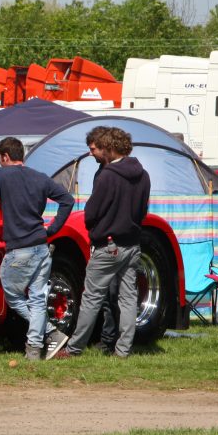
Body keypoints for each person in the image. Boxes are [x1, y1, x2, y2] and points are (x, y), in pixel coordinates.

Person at [0, 137, 75, 361]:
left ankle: (48, 332)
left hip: (19, 250)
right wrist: (52, 228)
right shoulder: (39, 177)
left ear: (5, 157)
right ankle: (35, 350)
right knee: (37, 298)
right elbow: (67, 199)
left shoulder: (2, 175)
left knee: (13, 296)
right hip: (41, 246)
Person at [56, 127, 151, 359]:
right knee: (128, 298)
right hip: (132, 243)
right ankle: (123, 350)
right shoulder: (143, 174)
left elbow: (91, 212)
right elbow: (142, 210)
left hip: (108, 244)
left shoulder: (108, 175)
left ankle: (75, 348)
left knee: (92, 297)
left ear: (109, 148)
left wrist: (96, 229)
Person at [85, 126, 119, 355]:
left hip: (115, 242)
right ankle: (108, 340)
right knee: (106, 295)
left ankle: (113, 341)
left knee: (115, 294)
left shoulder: (114, 173)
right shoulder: (100, 173)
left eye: (93, 149)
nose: (90, 153)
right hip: (102, 240)